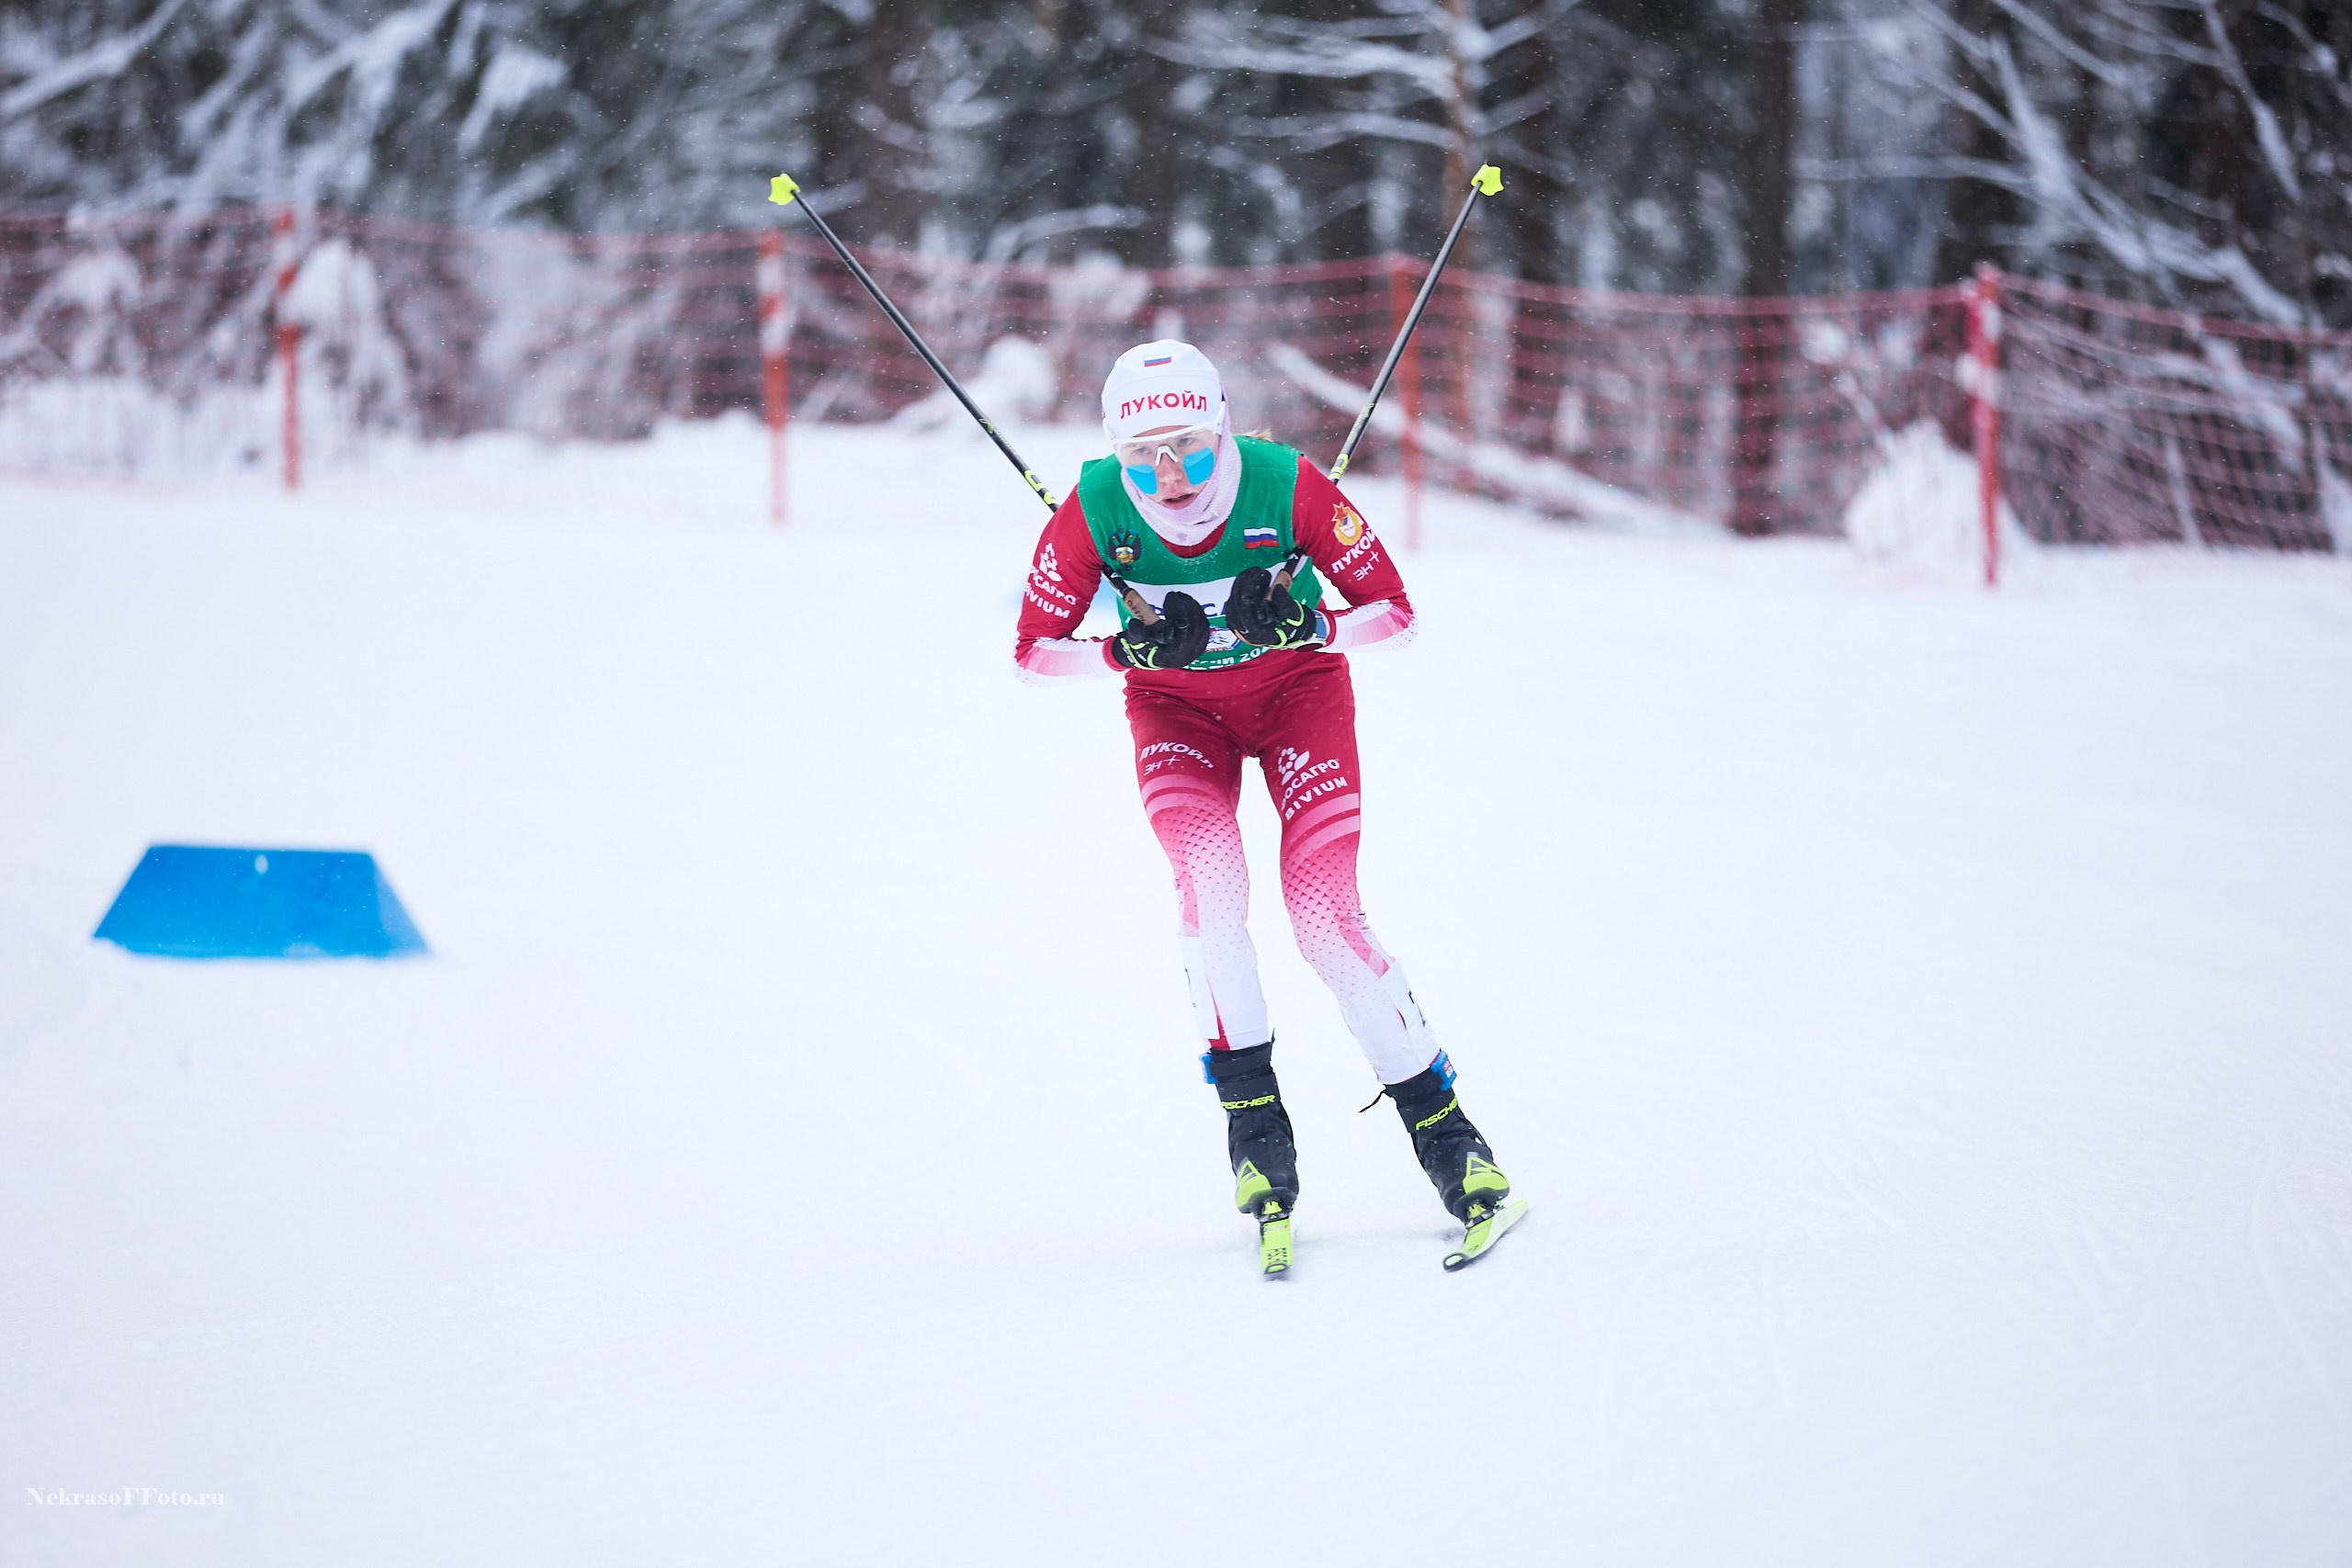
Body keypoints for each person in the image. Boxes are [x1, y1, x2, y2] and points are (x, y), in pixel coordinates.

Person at [1012, 340, 1513, 1257]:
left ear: (1224, 430)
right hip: (1176, 715)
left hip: (1298, 703)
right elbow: (1033, 652)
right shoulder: (1093, 509)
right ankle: (1255, 1135)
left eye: (1191, 449)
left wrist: (1312, 621)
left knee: (1322, 916)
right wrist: (1127, 651)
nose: (1168, 476)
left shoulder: (1287, 487)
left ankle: (1453, 1141)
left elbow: (1395, 616)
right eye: (1142, 457)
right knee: (1211, 888)